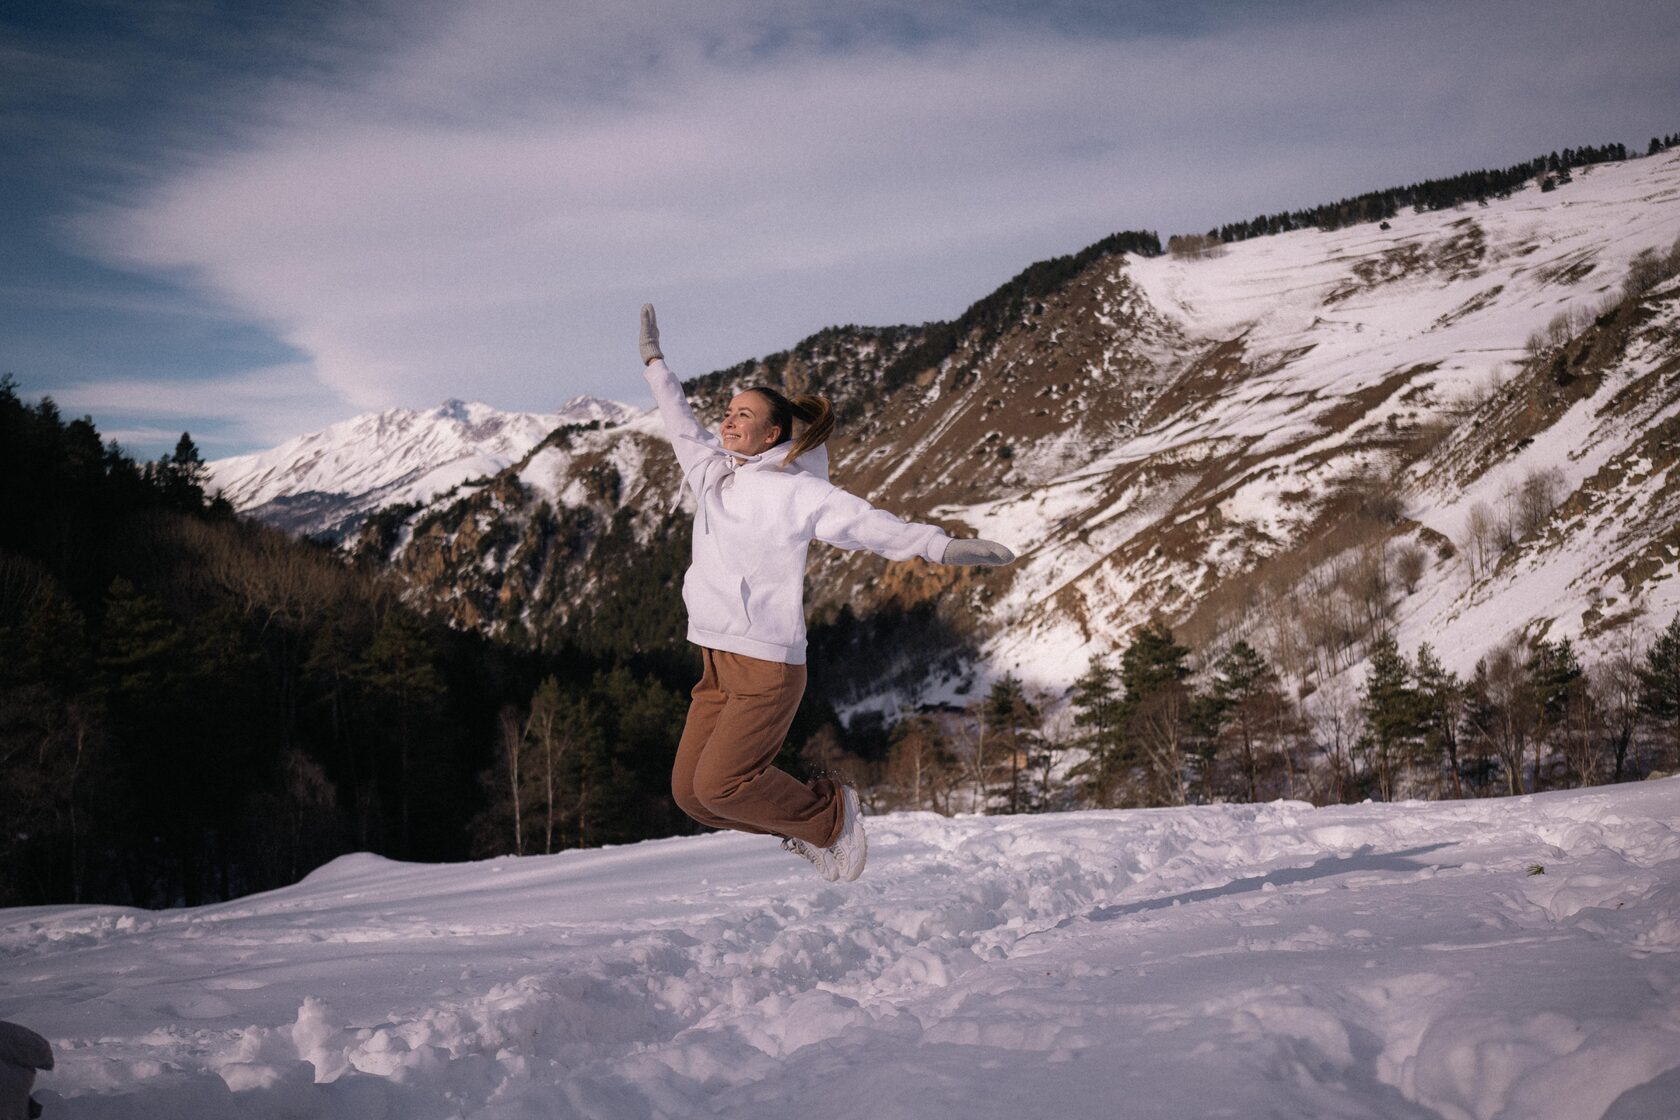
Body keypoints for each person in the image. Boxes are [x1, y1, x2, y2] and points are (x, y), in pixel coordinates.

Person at [638, 304, 1014, 882]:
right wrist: (656, 363)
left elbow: (871, 525)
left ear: (773, 433)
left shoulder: (801, 493)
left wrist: (939, 547)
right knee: (693, 797)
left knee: (721, 784)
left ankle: (830, 815)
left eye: (745, 415)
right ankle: (807, 826)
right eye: (729, 412)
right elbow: (679, 421)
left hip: (766, 666)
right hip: (715, 663)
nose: (729, 421)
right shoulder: (711, 473)